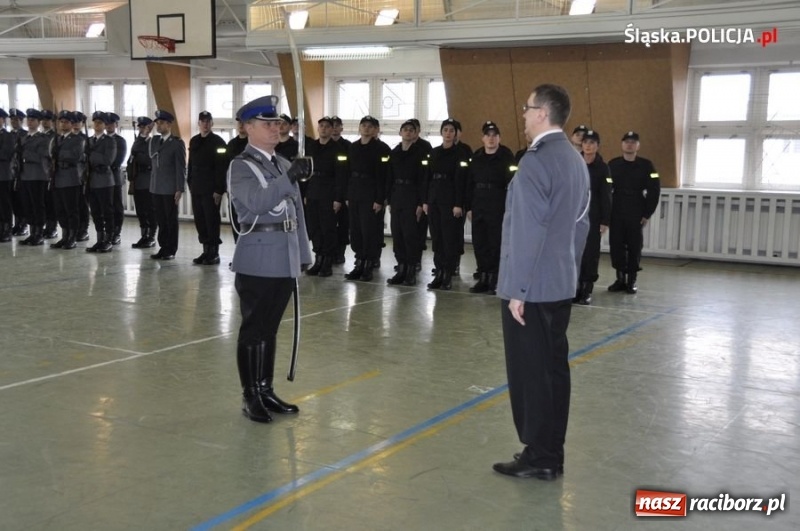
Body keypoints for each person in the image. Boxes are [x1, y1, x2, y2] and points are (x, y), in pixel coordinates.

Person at [493, 83, 590, 480]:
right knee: (553, 372)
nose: (523, 113)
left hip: (531, 289)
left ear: (541, 114)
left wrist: (518, 290)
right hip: (560, 283)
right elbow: (581, 227)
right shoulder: (574, 159)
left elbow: (527, 232)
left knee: (530, 373)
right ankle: (552, 451)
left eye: (527, 107)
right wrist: (568, 271)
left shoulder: (535, 162)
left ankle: (538, 455)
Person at [227, 95, 312, 423]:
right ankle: (250, 396)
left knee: (271, 328)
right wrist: (289, 178)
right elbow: (258, 203)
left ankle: (265, 388)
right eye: (267, 123)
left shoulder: (281, 163)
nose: (276, 128)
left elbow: (297, 214)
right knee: (254, 329)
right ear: (248, 128)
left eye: (277, 123)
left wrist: (303, 253)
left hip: (285, 257)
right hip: (258, 258)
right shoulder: (241, 166)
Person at [336, 115, 391, 282]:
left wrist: (380, 199)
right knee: (356, 230)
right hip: (354, 193)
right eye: (364, 125)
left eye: (370, 126)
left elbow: (384, 176)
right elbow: (346, 172)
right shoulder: (352, 147)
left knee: (369, 231)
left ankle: (368, 263)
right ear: (359, 128)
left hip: (371, 194)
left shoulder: (382, 149)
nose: (366, 129)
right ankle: (359, 262)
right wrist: (346, 195)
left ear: (376, 130)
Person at [464, 121, 516, 295]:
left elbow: (513, 183)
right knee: (480, 243)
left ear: (499, 138)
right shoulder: (477, 157)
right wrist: (469, 206)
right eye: (488, 135)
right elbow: (469, 183)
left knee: (495, 243)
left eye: (495, 135)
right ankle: (483, 276)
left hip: (497, 203)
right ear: (483, 138)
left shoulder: (507, 156)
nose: (491, 139)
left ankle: (494, 278)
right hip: (479, 203)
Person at [607, 131, 660, 294]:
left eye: (633, 142)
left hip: (636, 209)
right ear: (622, 145)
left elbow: (654, 189)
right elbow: (607, 189)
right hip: (616, 208)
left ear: (638, 146)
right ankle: (620, 279)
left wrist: (647, 213)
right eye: (626, 142)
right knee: (616, 245)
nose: (629, 144)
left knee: (634, 246)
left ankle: (632, 280)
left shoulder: (646, 165)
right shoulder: (613, 164)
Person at [423, 118, 470, 290]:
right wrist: (426, 201)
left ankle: (448, 273)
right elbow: (427, 177)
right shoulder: (434, 152)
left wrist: (459, 203)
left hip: (450, 201)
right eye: (445, 130)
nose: (448, 133)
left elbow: (461, 180)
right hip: (434, 199)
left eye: (451, 130)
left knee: (449, 238)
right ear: (441, 133)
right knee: (437, 238)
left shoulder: (461, 153)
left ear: (456, 133)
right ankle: (439, 271)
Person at [385, 119, 428, 286]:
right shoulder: (395, 152)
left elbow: (423, 179)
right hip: (397, 196)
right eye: (405, 130)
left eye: (411, 130)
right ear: (400, 133)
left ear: (416, 134)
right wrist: (388, 197)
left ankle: (411, 270)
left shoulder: (420, 153)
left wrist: (420, 202)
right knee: (397, 234)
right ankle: (401, 267)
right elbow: (389, 176)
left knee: (410, 235)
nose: (408, 132)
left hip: (412, 196)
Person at [305, 116, 346, 277]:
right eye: (321, 126)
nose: (323, 129)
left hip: (329, 192)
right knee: (315, 228)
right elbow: (307, 172)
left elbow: (341, 175)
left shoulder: (338, 149)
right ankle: (318, 258)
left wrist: (338, 198)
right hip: (313, 190)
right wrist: (306, 193)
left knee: (327, 228)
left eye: (327, 127)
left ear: (331, 130)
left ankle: (327, 261)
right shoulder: (311, 146)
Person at [574, 129, 612, 305]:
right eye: (586, 143)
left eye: (592, 143)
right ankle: (574, 287)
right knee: (574, 252)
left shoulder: (602, 168)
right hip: (574, 214)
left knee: (590, 253)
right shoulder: (574, 162)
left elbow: (606, 195)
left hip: (593, 215)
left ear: (597, 146)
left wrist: (605, 220)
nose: (588, 146)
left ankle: (587, 288)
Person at [188, 111, 228, 266]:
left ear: (212, 124)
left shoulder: (218, 142)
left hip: (211, 189)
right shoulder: (194, 141)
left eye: (208, 121)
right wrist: (190, 182)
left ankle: (214, 252)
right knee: (200, 220)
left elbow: (221, 167)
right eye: (202, 121)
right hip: (197, 187)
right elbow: (191, 164)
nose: (205, 124)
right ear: (198, 123)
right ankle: (205, 251)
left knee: (211, 220)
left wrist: (219, 189)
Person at [148, 110, 186, 260]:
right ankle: (163, 247)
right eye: (157, 123)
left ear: (169, 124)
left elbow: (180, 167)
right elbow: (150, 154)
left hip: (170, 187)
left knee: (170, 220)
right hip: (156, 186)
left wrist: (179, 188)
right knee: (161, 220)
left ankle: (171, 249)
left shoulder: (176, 143)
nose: (159, 125)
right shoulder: (155, 141)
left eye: (162, 123)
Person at [49, 110, 86, 250]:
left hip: (71, 176)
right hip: (57, 176)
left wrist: (59, 153)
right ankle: (64, 235)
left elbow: (75, 155)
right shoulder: (57, 138)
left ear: (72, 124)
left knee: (72, 210)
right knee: (60, 209)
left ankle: (72, 237)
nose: (63, 124)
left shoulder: (78, 139)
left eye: (66, 122)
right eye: (61, 122)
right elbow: (49, 153)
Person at [17, 109, 52, 246]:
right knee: (28, 205)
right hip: (25, 175)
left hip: (38, 175)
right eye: (28, 120)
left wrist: (25, 154)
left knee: (38, 205)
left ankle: (39, 233)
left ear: (39, 123)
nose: (30, 122)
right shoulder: (24, 137)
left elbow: (42, 156)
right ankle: (32, 233)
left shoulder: (44, 139)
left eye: (33, 120)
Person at [127, 116, 157, 248]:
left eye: (144, 127)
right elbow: (133, 155)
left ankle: (151, 236)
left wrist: (139, 155)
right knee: (140, 210)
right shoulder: (137, 142)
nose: (142, 129)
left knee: (150, 210)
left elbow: (149, 159)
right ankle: (143, 235)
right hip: (138, 180)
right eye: (140, 127)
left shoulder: (153, 142)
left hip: (148, 179)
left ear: (150, 128)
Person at [105, 113, 127, 245]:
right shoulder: (100, 139)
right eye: (106, 124)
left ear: (116, 125)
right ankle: (108, 231)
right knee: (106, 207)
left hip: (114, 176)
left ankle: (116, 232)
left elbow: (117, 160)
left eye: (111, 124)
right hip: (101, 178)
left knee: (116, 206)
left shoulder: (119, 141)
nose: (108, 126)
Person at [226, 117, 248, 244]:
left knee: (247, 223)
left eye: (243, 122)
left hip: (247, 189)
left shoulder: (252, 144)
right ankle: (238, 253)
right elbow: (226, 166)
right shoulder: (231, 144)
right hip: (233, 188)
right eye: (239, 123)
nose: (241, 125)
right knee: (235, 221)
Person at [0, 108, 14, 242]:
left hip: (3, 175)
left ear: (3, 120)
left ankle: (6, 229)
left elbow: (5, 154)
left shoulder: (7, 136)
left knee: (4, 204)